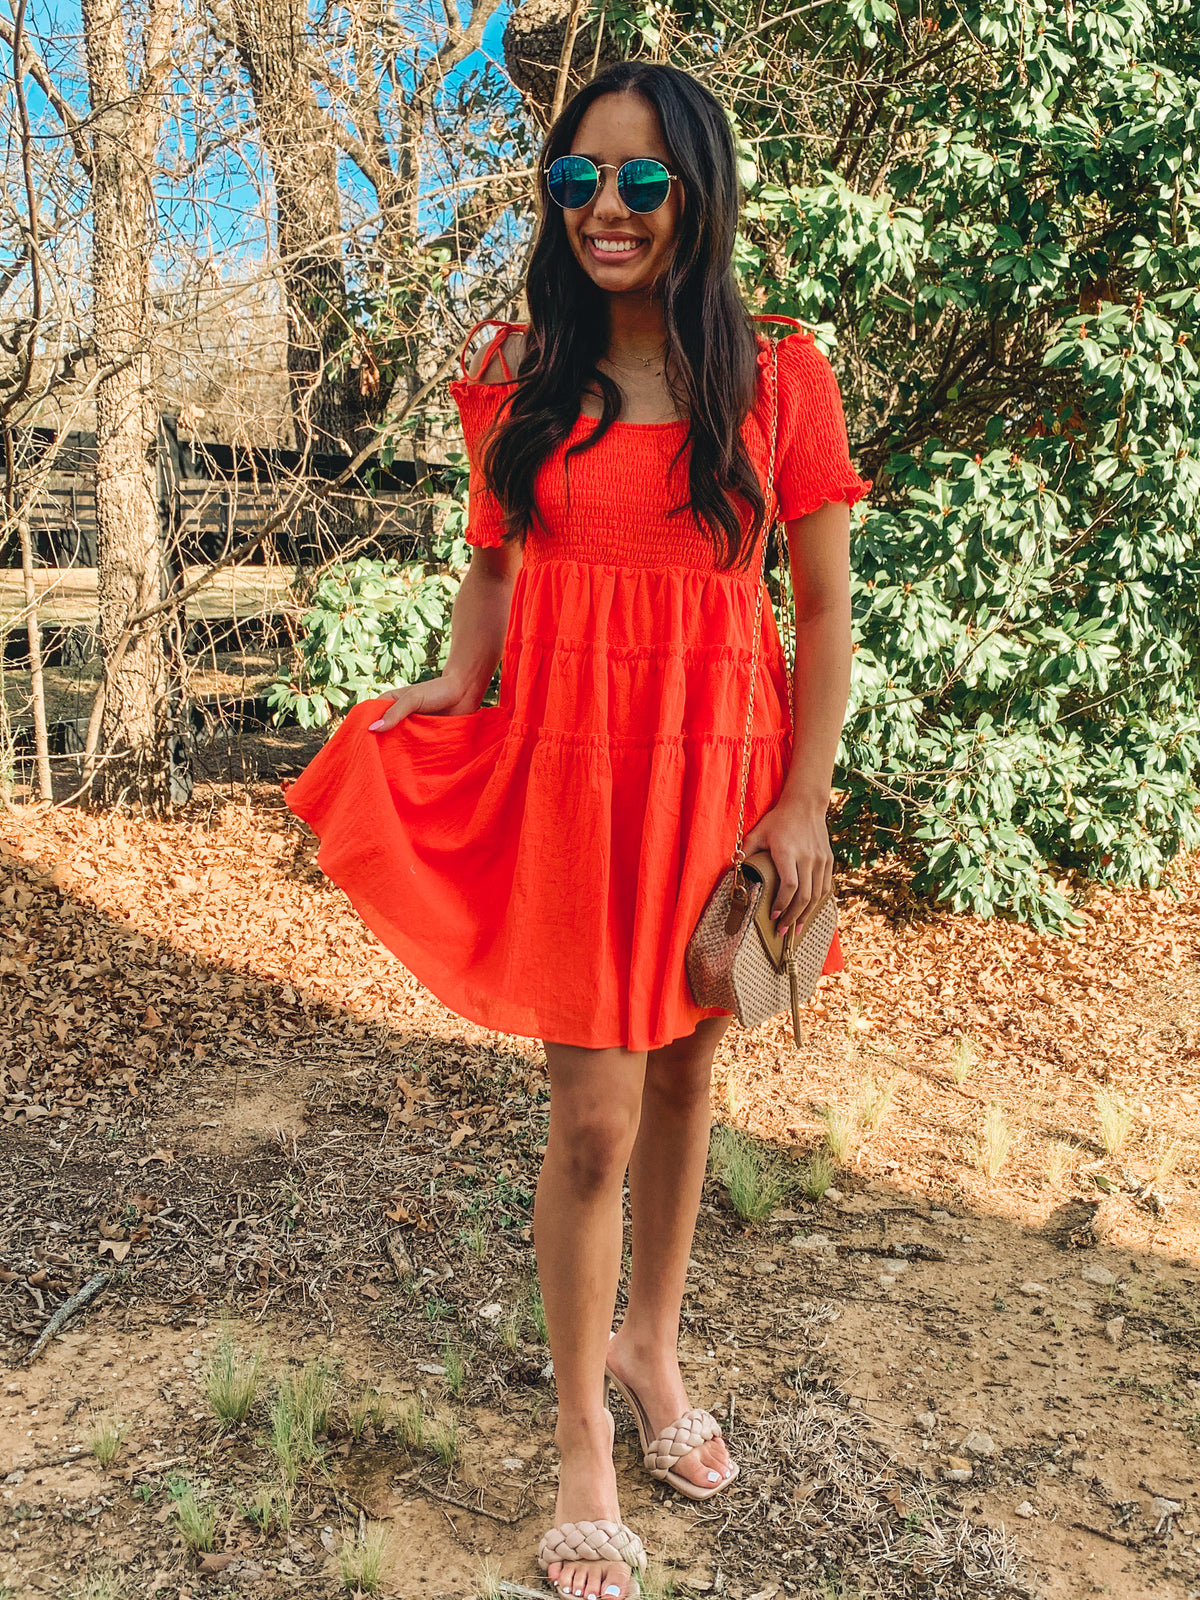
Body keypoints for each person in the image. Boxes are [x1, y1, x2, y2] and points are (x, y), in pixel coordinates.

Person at [283, 58, 869, 1600]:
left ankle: (652, 1350)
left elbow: (818, 610)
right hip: (573, 779)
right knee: (596, 1121)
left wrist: (801, 803)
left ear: (696, 194)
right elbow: (494, 560)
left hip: (723, 778)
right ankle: (581, 1450)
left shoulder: (780, 377)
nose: (603, 209)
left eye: (640, 182)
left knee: (686, 1077)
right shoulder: (522, 368)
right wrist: (458, 681)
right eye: (577, 181)